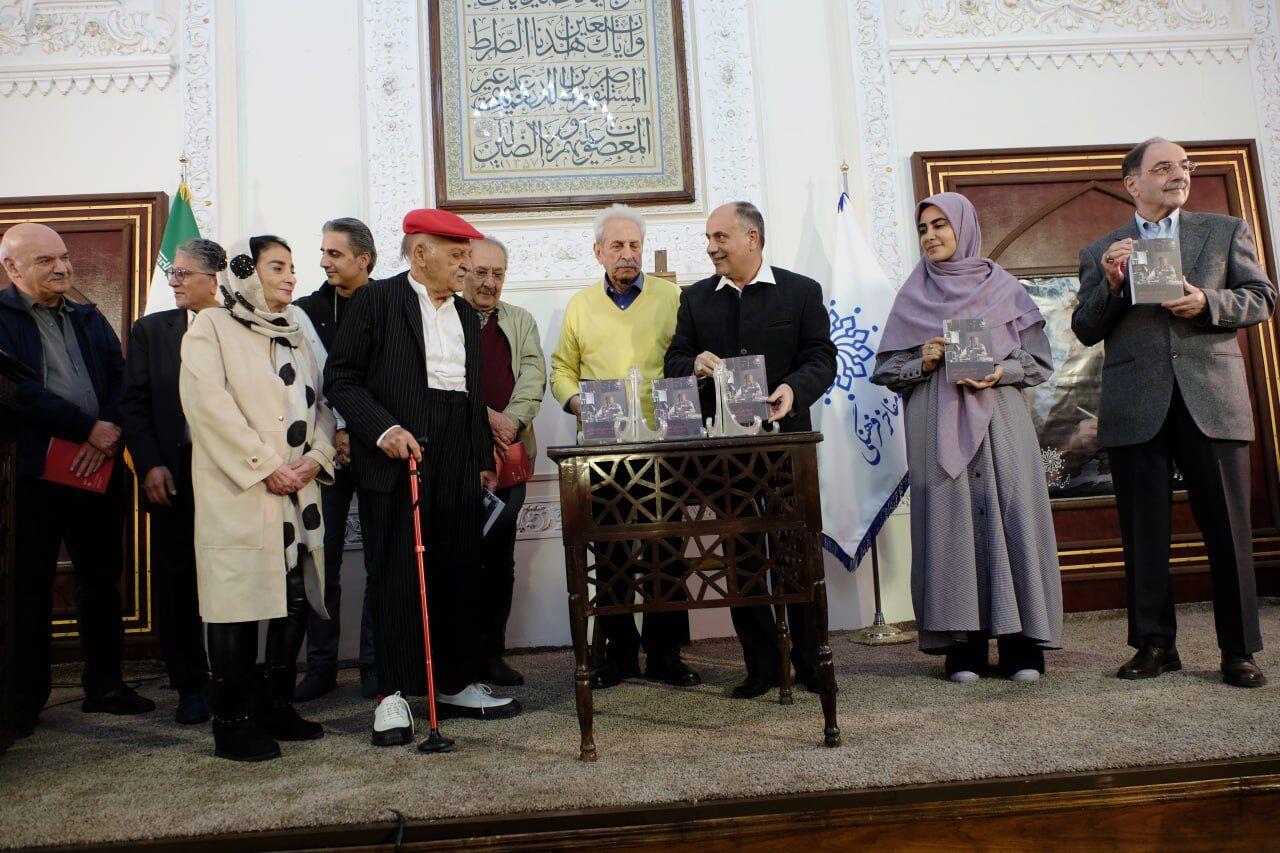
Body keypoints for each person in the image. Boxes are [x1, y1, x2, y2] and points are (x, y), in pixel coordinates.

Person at [1072, 137, 1277, 688]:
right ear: (1132, 183)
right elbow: (1085, 328)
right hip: (1136, 404)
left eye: (1184, 166)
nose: (1178, 174)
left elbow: (1263, 297)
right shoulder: (1102, 250)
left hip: (1211, 399)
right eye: (1162, 167)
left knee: (1229, 533)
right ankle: (1155, 646)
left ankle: (1239, 650)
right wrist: (1113, 287)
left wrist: (1208, 303)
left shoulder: (1224, 229)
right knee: (1143, 533)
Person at [326, 208, 520, 749]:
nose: (466, 266)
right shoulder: (376, 301)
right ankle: (392, 695)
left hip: (458, 451)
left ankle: (454, 683)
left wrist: (482, 456)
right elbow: (340, 379)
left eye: (468, 256)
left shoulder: (463, 313)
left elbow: (471, 392)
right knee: (395, 575)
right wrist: (382, 428)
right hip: (397, 454)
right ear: (420, 254)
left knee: (460, 569)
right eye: (456, 256)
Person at [873, 192, 1063, 682]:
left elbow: (1038, 362)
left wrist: (998, 371)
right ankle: (964, 647)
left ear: (964, 227)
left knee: (1012, 516)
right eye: (923, 229)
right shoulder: (912, 297)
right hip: (935, 417)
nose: (931, 236)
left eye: (941, 225)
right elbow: (886, 370)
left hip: (1001, 418)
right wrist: (924, 360)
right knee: (949, 524)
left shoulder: (1005, 289)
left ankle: (1023, 647)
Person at [665, 201, 837, 697]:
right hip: (726, 455)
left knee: (796, 555)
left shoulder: (801, 291)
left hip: (787, 448)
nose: (711, 247)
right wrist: (691, 362)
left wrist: (794, 390)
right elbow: (673, 359)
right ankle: (762, 668)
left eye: (720, 237)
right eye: (709, 238)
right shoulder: (696, 299)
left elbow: (822, 357)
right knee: (742, 559)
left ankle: (810, 664)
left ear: (752, 239)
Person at [179, 235, 337, 761]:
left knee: (293, 598)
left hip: (298, 491)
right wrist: (267, 468)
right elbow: (209, 408)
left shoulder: (296, 332)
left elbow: (322, 405)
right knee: (238, 606)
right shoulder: (211, 327)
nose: (291, 277)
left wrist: (317, 457)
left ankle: (276, 705)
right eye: (277, 267)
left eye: (293, 267)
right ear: (246, 273)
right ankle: (232, 723)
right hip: (242, 492)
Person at [0, 222, 154, 737]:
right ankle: (24, 700)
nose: (62, 267)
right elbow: (15, 394)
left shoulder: (88, 316)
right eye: (46, 260)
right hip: (32, 477)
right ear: (12, 267)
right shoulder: (1, 317)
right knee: (30, 586)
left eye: (63, 256)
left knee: (101, 581)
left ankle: (105, 685)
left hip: (98, 469)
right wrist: (86, 427)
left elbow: (120, 379)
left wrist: (105, 433)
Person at [549, 203, 700, 690]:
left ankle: (666, 655)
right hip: (603, 449)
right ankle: (616, 655)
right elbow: (560, 369)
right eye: (616, 246)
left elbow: (683, 356)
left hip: (666, 444)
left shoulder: (672, 297)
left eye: (634, 245)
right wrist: (576, 402)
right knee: (611, 554)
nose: (627, 254)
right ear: (598, 252)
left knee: (666, 550)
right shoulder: (580, 305)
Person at [119, 238, 223, 725]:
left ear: (214, 277)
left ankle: (232, 676)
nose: (174, 282)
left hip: (230, 475)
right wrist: (149, 464)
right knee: (178, 579)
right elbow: (133, 403)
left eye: (183, 274)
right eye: (173, 274)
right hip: (173, 474)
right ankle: (190, 686)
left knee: (230, 577)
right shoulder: (152, 331)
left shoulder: (241, 325)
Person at [291, 217, 379, 702]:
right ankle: (321, 667)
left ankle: (374, 664)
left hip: (376, 448)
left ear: (363, 259)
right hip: (324, 452)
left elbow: (389, 379)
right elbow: (306, 383)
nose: (323, 262)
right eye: (322, 253)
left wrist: (360, 428)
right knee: (322, 564)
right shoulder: (305, 311)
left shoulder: (389, 304)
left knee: (380, 563)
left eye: (335, 254)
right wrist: (337, 430)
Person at [462, 236, 547, 686]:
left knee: (500, 560)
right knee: (459, 558)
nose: (490, 282)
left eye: (498, 273)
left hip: (510, 458)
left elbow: (534, 376)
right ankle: (459, 659)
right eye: (481, 272)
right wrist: (485, 419)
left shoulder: (520, 320)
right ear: (463, 271)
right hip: (458, 459)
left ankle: (492, 655)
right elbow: (441, 383)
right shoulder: (445, 319)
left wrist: (509, 423)